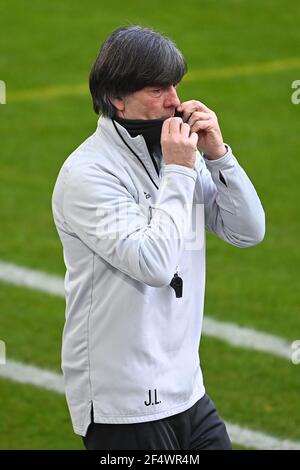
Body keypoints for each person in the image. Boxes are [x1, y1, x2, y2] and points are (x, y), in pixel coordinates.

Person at [52, 25, 265, 450]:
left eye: (175, 85)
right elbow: (154, 265)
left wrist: (218, 156)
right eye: (157, 89)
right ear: (118, 98)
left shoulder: (172, 151)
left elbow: (248, 231)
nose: (174, 101)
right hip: (123, 404)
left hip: (187, 390)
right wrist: (182, 170)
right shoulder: (88, 174)